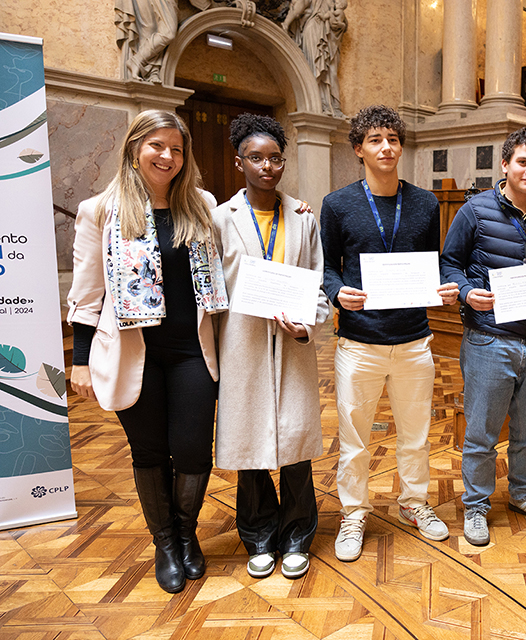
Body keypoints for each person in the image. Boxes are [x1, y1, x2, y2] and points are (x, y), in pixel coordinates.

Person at [67, 109, 229, 593]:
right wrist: (78, 360)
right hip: (133, 352)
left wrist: (293, 207)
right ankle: (165, 543)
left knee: (195, 450)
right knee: (150, 451)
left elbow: (241, 234)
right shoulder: (101, 209)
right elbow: (87, 290)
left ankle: (187, 532)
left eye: (177, 149)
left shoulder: (200, 203)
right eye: (157, 146)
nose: (168, 157)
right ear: (135, 148)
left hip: (193, 352)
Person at [320, 105, 460, 562]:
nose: (387, 147)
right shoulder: (337, 204)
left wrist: (443, 285)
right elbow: (326, 266)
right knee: (355, 437)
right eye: (376, 139)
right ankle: (354, 512)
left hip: (414, 338)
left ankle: (414, 503)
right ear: (359, 148)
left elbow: (432, 263)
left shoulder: (424, 203)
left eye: (393, 139)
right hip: (359, 341)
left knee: (416, 432)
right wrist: (339, 291)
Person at [440, 127, 526, 547]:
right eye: (523, 161)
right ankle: (477, 506)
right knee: (482, 432)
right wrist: (466, 292)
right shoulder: (474, 210)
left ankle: (522, 494)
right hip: (489, 339)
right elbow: (449, 263)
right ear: (505, 164)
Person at [212, 114, 330, 580]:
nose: (267, 166)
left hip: (293, 347)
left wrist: (307, 326)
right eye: (255, 158)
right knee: (251, 446)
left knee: (296, 445)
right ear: (239, 162)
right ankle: (259, 535)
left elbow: (318, 285)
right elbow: (211, 287)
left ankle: (298, 534)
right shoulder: (220, 218)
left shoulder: (303, 217)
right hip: (242, 347)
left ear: (284, 162)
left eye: (275, 157)